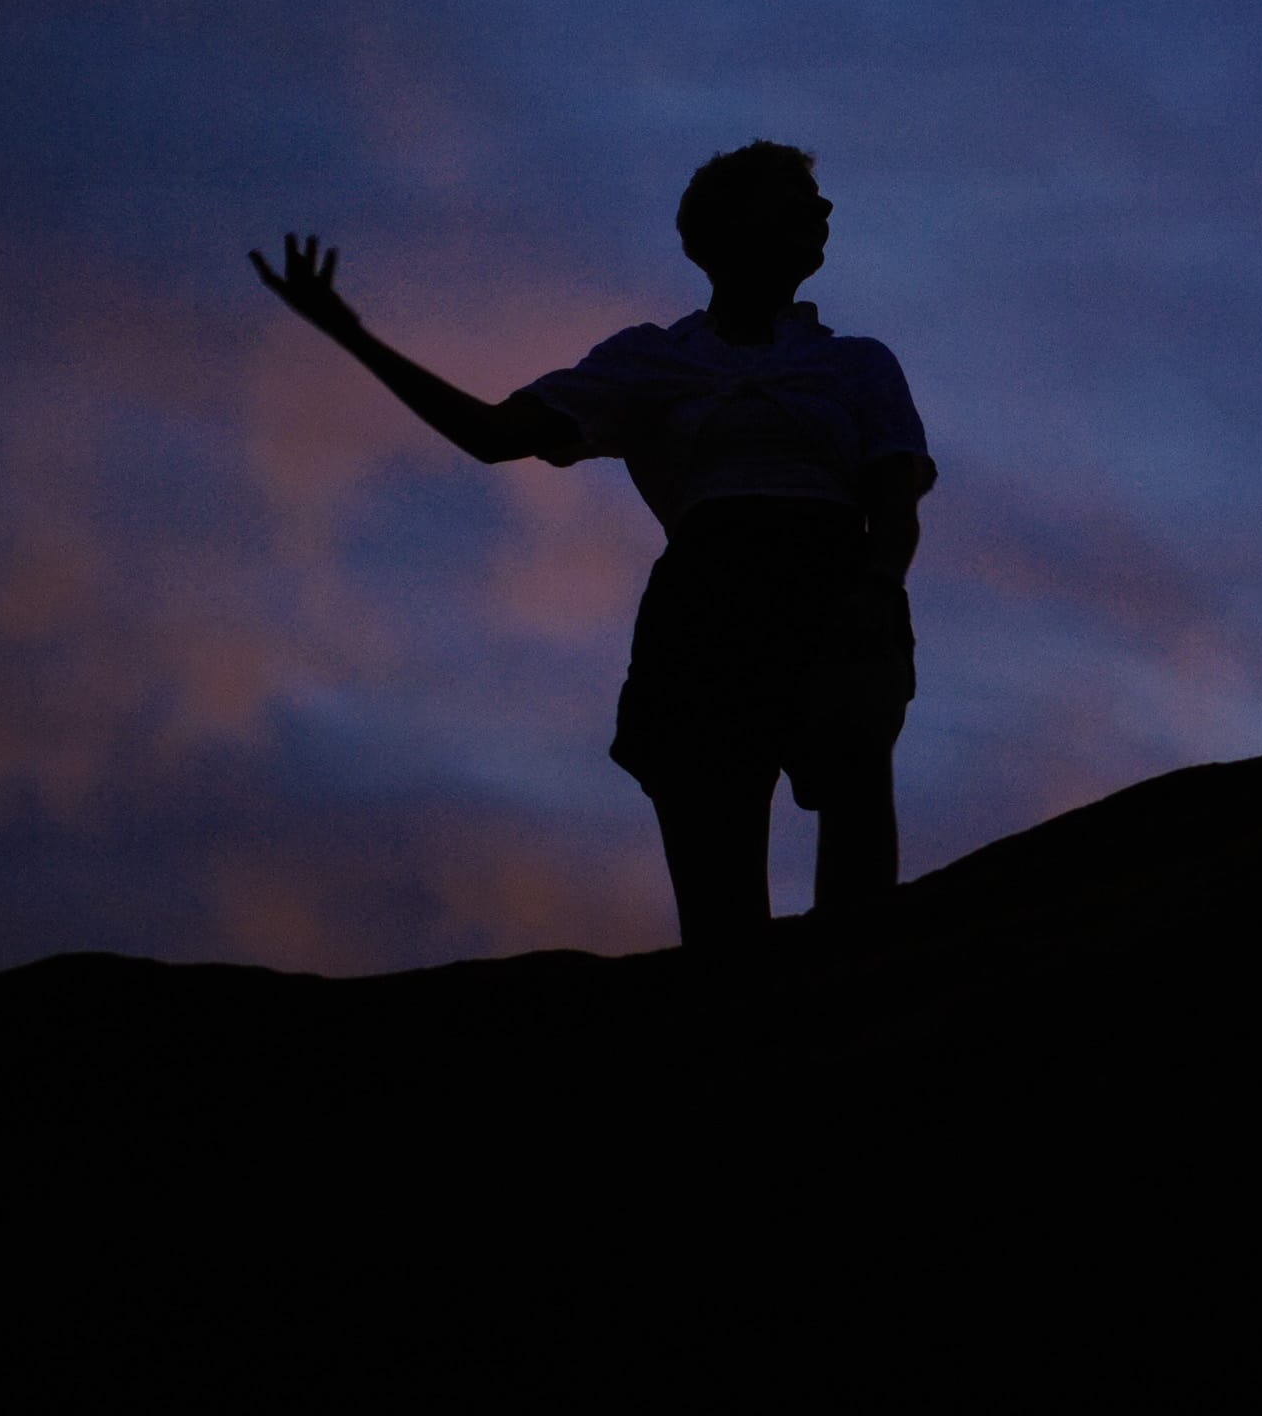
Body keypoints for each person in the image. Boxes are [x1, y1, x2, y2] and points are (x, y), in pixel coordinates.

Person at [253, 140, 933, 950]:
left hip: (834, 599)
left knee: (859, 888)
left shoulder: (856, 365)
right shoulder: (650, 359)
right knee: (722, 920)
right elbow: (494, 433)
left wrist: (874, 593)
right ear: (724, 226)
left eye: (817, 201)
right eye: (791, 194)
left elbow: (894, 499)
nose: (819, 211)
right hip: (705, 616)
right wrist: (351, 336)